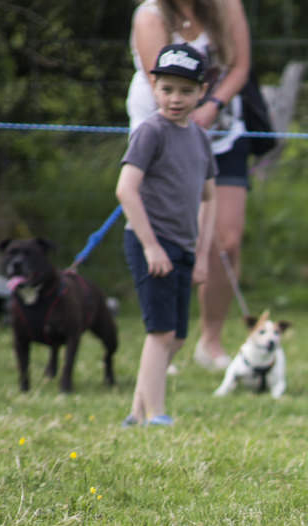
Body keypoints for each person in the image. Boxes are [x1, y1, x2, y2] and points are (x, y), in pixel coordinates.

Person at [128, 0, 252, 371]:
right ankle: (163, 339)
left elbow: (240, 66)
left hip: (222, 135)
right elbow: (162, 86)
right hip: (166, 141)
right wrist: (188, 120)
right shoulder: (150, 16)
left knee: (227, 241)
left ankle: (210, 341)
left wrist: (212, 105)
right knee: (167, 241)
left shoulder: (227, 7)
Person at [117, 43, 218, 426]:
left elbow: (209, 198)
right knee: (160, 332)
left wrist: (202, 254)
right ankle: (155, 415)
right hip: (151, 244)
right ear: (153, 86)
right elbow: (126, 189)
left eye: (186, 91)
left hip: (183, 247)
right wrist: (150, 246)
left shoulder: (199, 138)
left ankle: (137, 413)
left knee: (175, 337)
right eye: (167, 89)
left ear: (201, 92)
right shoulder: (150, 132)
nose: (176, 99)